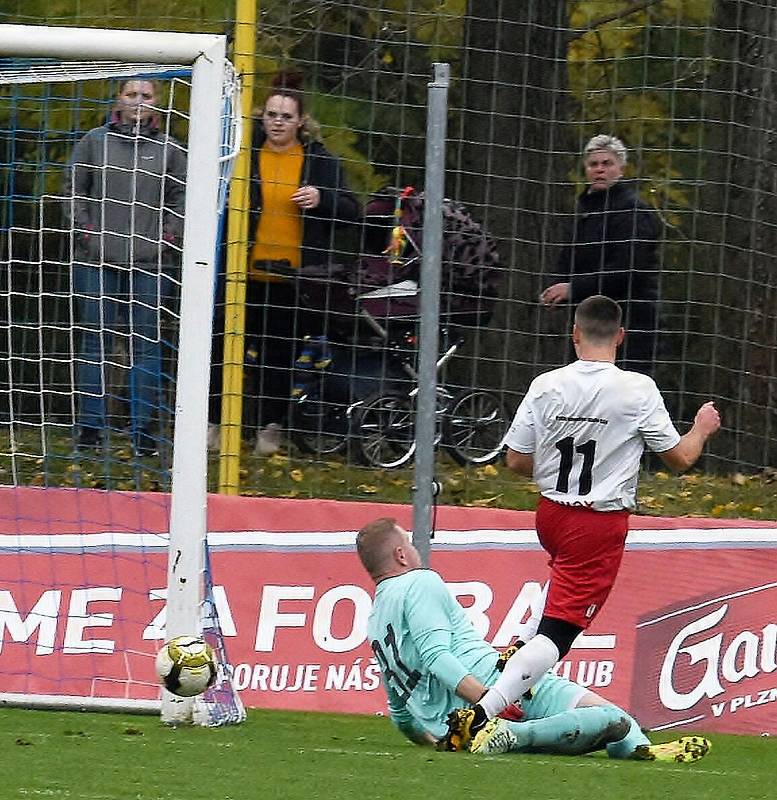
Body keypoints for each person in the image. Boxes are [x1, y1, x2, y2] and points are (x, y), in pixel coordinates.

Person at [446, 294, 721, 748]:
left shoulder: (545, 385)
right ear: (621, 336)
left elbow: (516, 461)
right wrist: (701, 427)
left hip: (551, 514)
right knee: (560, 632)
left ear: (574, 335)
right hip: (596, 523)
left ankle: (518, 662)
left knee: (555, 602)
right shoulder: (637, 389)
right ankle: (481, 715)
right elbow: (679, 459)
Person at [357, 517, 711, 762]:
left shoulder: (375, 618)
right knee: (614, 720)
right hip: (493, 681)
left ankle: (634, 750)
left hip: (455, 723)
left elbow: (400, 712)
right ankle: (512, 735)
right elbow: (437, 657)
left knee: (608, 724)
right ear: (401, 555)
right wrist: (488, 702)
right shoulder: (420, 581)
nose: (414, 547)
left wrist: (434, 740)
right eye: (408, 540)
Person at [208, 71, 360, 455]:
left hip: (291, 279)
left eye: (286, 116)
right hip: (241, 273)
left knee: (277, 356)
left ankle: (269, 429)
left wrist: (321, 198)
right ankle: (213, 424)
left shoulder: (318, 162)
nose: (277, 122)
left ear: (300, 122)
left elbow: (351, 210)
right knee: (223, 349)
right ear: (262, 116)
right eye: (272, 114)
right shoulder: (240, 153)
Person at [65, 79, 186, 457]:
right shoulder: (93, 141)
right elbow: (72, 188)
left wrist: (167, 235)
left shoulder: (170, 151)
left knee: (146, 346)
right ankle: (89, 429)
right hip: (97, 260)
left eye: (146, 96)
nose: (138, 101)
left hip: (151, 263)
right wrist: (86, 232)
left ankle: (144, 432)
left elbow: (183, 197)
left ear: (157, 104)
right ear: (119, 98)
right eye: (131, 94)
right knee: (94, 344)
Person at [541, 134, 660, 375]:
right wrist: (555, 286)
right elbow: (570, 256)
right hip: (588, 323)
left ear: (621, 169)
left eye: (607, 164)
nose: (599, 170)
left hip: (629, 324)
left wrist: (573, 288)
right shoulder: (586, 210)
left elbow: (628, 270)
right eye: (593, 164)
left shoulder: (633, 211)